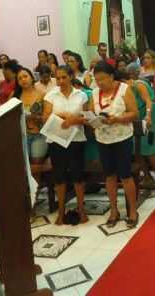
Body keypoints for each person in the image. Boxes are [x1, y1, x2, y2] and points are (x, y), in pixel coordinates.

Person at [89, 62, 139, 227]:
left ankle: (132, 210)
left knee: (125, 175)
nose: (100, 83)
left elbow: (134, 113)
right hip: (102, 139)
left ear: (111, 76)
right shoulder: (95, 93)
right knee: (109, 176)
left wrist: (117, 119)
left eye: (103, 79)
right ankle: (114, 210)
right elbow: (90, 114)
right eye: (97, 80)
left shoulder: (124, 89)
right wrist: (91, 120)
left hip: (122, 138)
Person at [41, 66, 89, 225]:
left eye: (64, 77)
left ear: (71, 77)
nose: (60, 81)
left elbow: (87, 118)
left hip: (76, 139)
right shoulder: (51, 95)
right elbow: (45, 117)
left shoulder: (81, 95)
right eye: (58, 78)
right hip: (56, 140)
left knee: (78, 176)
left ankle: (81, 209)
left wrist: (73, 120)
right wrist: (63, 115)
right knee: (59, 177)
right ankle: (61, 211)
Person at [124, 64, 155, 189]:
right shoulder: (123, 89)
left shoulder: (138, 84)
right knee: (138, 151)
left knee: (150, 150)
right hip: (135, 119)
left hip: (150, 117)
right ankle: (146, 176)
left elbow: (148, 101)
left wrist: (148, 116)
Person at [16, 68, 47, 165]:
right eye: (20, 78)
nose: (23, 80)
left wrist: (35, 117)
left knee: (36, 164)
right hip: (22, 134)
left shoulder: (42, 94)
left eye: (25, 76)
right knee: (25, 164)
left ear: (32, 78)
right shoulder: (16, 95)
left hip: (39, 134)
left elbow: (47, 115)